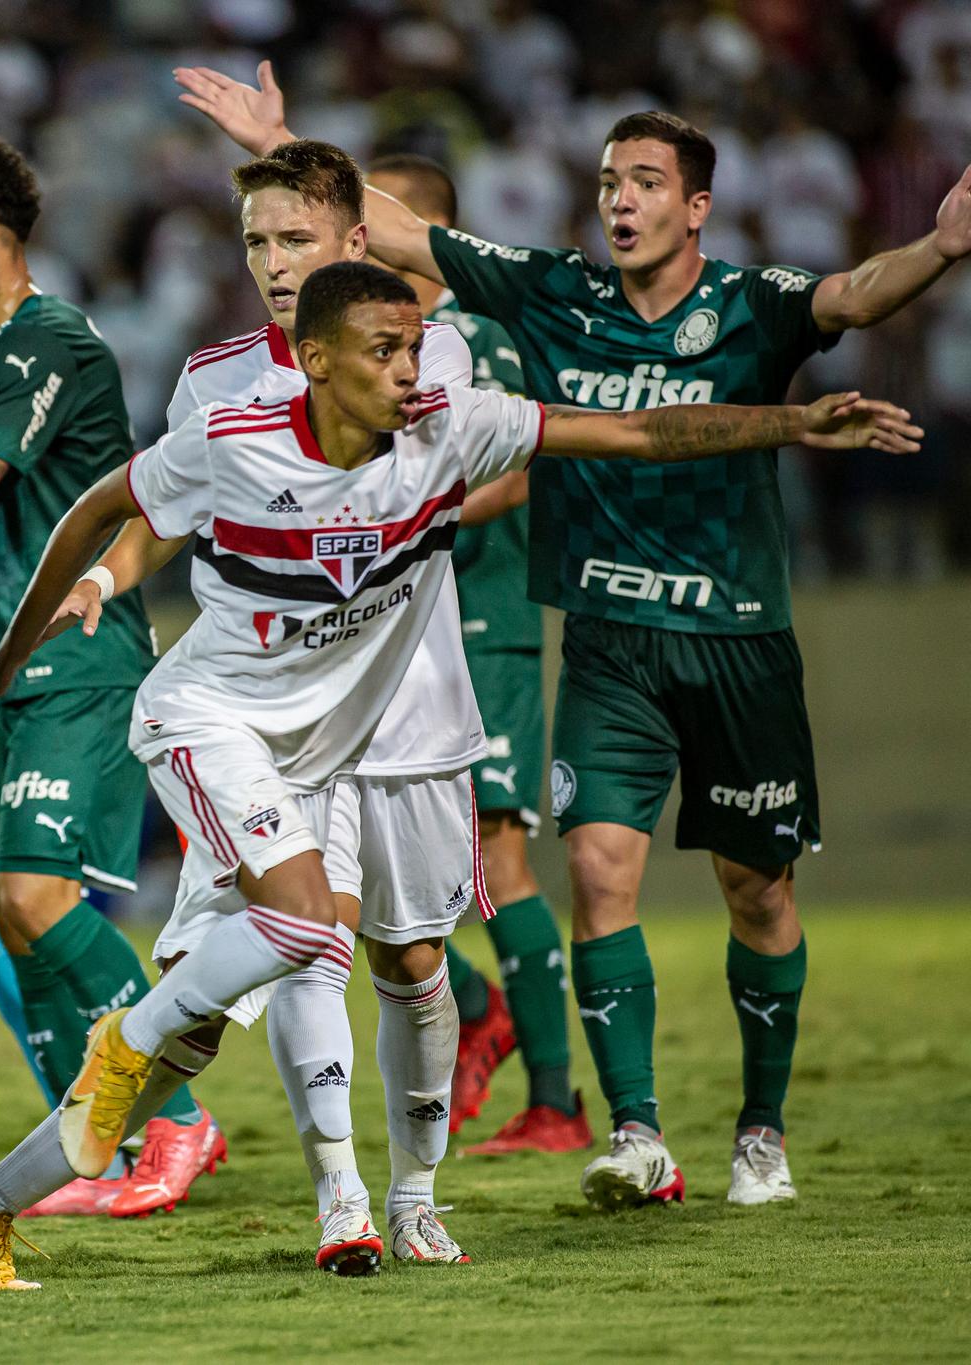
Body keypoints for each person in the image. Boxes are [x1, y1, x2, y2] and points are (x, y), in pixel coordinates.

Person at [0, 259, 918, 1292]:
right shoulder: (231, 443)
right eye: (381, 352)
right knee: (305, 933)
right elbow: (94, 510)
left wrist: (790, 427)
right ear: (313, 363)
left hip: (349, 746)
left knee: (258, 1019)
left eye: (411, 347)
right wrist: (10, 648)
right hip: (211, 723)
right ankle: (136, 1049)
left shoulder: (451, 427)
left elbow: (632, 432)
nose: (408, 371)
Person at [180, 61, 971, 1207]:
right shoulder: (552, 291)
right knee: (598, 871)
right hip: (606, 641)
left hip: (739, 638)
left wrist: (942, 248)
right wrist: (281, 135)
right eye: (607, 180)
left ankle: (759, 1129)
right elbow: (396, 232)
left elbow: (851, 296)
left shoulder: (753, 302)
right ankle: (633, 1132)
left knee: (758, 892)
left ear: (694, 206)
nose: (618, 200)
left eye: (644, 182)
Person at [138, 141, 491, 1268]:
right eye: (255, 242)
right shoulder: (212, 380)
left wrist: (385, 532)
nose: (273, 263)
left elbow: (507, 467)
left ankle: (417, 1194)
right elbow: (162, 505)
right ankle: (339, 1193)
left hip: (415, 700)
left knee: (412, 959)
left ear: (354, 242)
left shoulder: (430, 355)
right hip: (284, 718)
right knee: (309, 942)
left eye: (296, 240)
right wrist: (101, 581)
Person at [0, 129, 222, 1221]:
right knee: (6, 908)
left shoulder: (44, 342)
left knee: (39, 896)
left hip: (74, 656)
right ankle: (95, 1148)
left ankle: (174, 1115)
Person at [363, 151, 588, 1157]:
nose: (348, 230)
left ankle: (554, 1101)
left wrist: (411, 515)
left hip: (480, 615)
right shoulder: (371, 337)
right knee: (369, 857)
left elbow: (519, 462)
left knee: (495, 851)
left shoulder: (475, 334)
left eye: (364, 212)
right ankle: (477, 1003)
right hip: (390, 627)